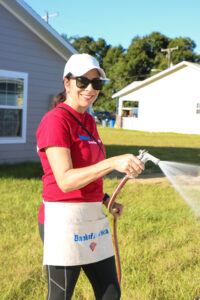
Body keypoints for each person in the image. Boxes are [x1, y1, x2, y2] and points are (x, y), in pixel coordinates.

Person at [36, 53, 144, 300]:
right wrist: (112, 162)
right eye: (82, 81)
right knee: (61, 295)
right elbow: (65, 180)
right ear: (67, 83)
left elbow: (88, 172)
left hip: (92, 217)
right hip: (63, 221)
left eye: (97, 83)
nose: (90, 88)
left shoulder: (88, 121)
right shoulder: (55, 120)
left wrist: (105, 198)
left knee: (110, 292)